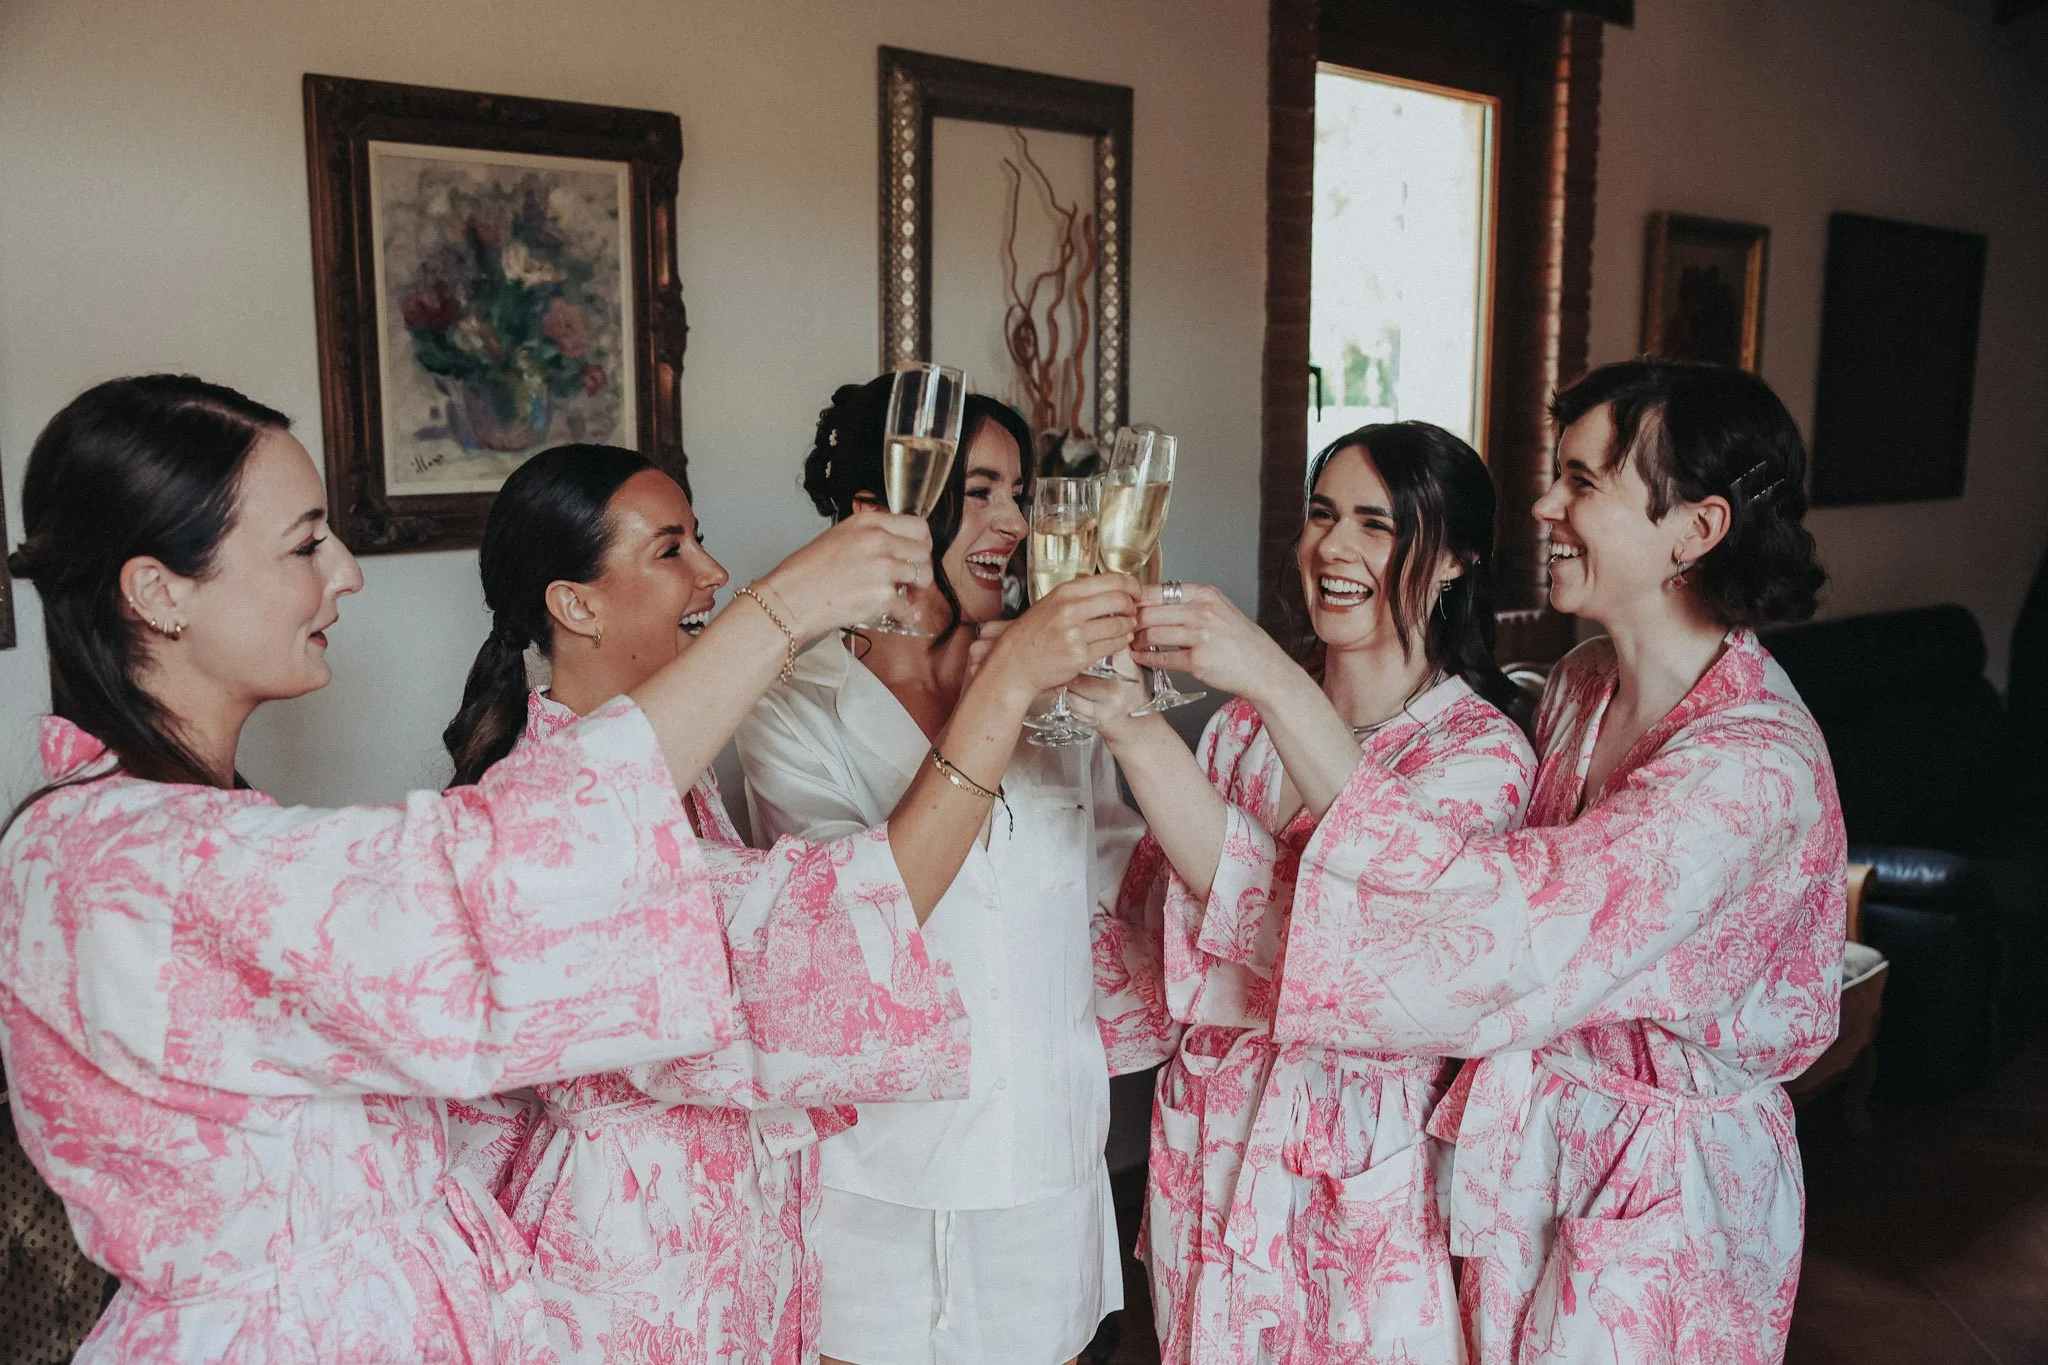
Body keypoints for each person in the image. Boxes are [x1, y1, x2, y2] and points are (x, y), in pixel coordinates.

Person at [0, 374, 931, 1362]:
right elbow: (501, 880)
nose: (347, 573)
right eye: (305, 543)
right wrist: (780, 613)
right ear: (158, 591)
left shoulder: (176, 829)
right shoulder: (117, 860)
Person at [1138, 361, 1846, 1363]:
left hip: (1662, 1193)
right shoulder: (1579, 685)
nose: (1545, 504)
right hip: (1529, 1156)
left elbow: (1498, 934)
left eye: (1582, 482)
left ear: (1693, 531)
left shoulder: (1746, 773)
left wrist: (1262, 671)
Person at [439, 442, 1132, 1362]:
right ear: (575, 604)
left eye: (701, 539)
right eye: (671, 548)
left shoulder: (679, 791)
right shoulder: (545, 803)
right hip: (635, 1270)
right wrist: (1002, 688)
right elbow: (824, 941)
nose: (713, 573)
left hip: (741, 1247)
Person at [1065, 422, 1535, 1363]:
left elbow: (1355, 953)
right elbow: (1168, 934)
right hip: (1210, 1154)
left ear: (1452, 560)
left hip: (1359, 1183)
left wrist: (1269, 676)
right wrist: (1118, 717)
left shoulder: (1482, 759)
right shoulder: (1238, 730)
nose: (1333, 546)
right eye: (1322, 514)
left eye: (1378, 523)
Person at [736, 378, 1162, 1365]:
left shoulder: (1053, 687)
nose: (1012, 522)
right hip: (874, 1184)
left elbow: (1124, 889)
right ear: (880, 509)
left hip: (1045, 1168)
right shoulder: (788, 704)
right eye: (978, 490)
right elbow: (860, 920)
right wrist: (1006, 683)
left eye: (1018, 492)